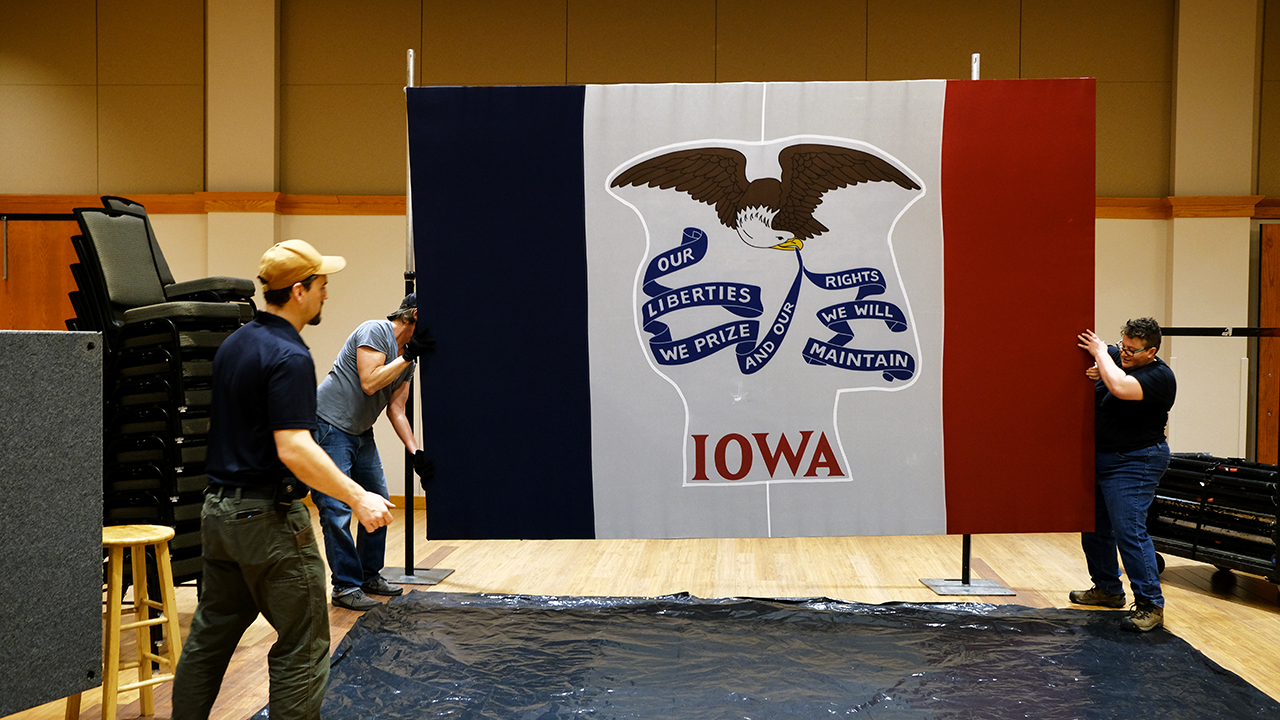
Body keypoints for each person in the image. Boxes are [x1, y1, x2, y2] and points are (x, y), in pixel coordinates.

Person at [172, 239, 395, 720]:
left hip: (218, 514)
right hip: (267, 520)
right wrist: (358, 497)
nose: (326, 296)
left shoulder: (237, 343)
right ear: (298, 291)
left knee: (210, 636)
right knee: (304, 641)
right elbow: (293, 447)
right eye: (321, 286)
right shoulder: (289, 355)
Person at [313, 293, 432, 610]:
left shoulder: (409, 356)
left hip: (361, 432)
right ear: (416, 315)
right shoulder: (375, 330)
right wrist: (406, 359)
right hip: (329, 425)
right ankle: (345, 586)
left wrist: (415, 452)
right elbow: (369, 382)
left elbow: (396, 409)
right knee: (337, 510)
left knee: (379, 501)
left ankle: (368, 575)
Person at [1072, 317, 1176, 632]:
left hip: (1135, 461)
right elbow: (1111, 368)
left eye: (1132, 350)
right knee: (1094, 528)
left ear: (1152, 351)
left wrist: (1102, 356)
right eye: (1123, 346)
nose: (1125, 353)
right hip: (1103, 458)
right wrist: (1104, 363)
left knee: (1129, 532)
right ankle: (1107, 588)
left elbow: (1118, 386)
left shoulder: (1159, 377)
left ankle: (1150, 605)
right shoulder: (1119, 360)